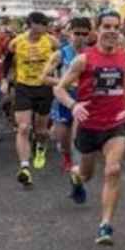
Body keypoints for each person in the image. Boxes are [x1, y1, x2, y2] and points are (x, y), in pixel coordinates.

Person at [54, 10, 125, 246]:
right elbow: (59, 88)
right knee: (86, 174)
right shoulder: (84, 59)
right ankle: (76, 177)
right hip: (89, 126)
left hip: (116, 124)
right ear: (98, 30)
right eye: (107, 27)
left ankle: (105, 225)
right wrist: (73, 106)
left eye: (116, 27)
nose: (111, 31)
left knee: (113, 170)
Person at [5, 11, 58, 186]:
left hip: (44, 87)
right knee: (23, 127)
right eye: (42, 24)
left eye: (46, 24)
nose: (45, 27)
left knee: (41, 130)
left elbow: (61, 59)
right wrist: (6, 81)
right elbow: (8, 60)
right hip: (23, 87)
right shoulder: (16, 42)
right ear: (32, 24)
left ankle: (40, 146)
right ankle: (25, 167)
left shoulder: (51, 41)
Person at [43, 17, 91, 173]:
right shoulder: (60, 54)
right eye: (77, 33)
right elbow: (43, 77)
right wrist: (64, 81)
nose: (80, 37)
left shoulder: (93, 54)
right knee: (63, 139)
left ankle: (77, 165)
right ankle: (66, 156)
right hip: (64, 99)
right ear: (70, 33)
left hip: (85, 100)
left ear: (89, 35)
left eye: (84, 34)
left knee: (78, 138)